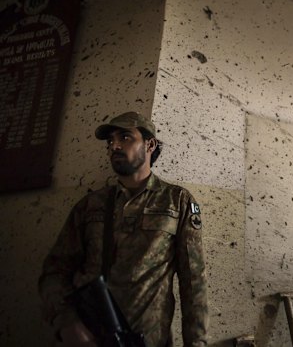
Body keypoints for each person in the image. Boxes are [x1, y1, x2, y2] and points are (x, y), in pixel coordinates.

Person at [39, 112, 208, 347]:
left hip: (148, 340)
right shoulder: (90, 205)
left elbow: (193, 281)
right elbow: (55, 272)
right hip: (89, 337)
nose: (114, 146)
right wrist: (67, 324)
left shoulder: (177, 201)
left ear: (150, 144)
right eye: (110, 142)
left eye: (125, 137)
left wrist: (196, 343)